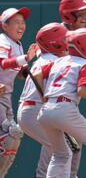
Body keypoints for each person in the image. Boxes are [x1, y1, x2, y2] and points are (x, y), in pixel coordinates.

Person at [34, 28, 86, 178]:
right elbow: (82, 91)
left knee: (60, 154)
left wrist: (44, 95)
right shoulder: (85, 64)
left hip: (45, 111)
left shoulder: (59, 60)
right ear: (84, 47)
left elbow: (37, 75)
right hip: (65, 108)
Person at [17, 22, 69, 178]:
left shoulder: (46, 57)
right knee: (64, 152)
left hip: (32, 110)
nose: (67, 43)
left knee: (56, 149)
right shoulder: (54, 61)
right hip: (35, 111)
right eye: (64, 40)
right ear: (55, 43)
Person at [0, 7, 37, 176]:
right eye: (16, 22)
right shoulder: (3, 40)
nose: (21, 25)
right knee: (9, 133)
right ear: (4, 26)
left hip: (5, 96)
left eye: (23, 22)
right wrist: (26, 58)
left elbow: (22, 73)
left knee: (13, 136)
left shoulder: (18, 44)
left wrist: (38, 64)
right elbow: (4, 63)